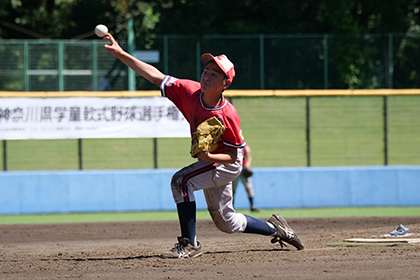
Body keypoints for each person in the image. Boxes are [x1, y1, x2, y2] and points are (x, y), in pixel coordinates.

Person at [103, 32, 304, 258]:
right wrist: (121, 54)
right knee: (227, 222)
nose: (207, 75)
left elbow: (234, 156)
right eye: (207, 70)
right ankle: (277, 229)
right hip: (210, 161)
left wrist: (208, 158)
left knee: (181, 182)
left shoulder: (228, 115)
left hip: (227, 163)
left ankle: (190, 244)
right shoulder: (188, 91)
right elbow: (155, 76)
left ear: (225, 83)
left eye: (215, 73)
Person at [232, 144, 259, 212]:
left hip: (243, 169)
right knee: (232, 189)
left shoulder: (243, 145)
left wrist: (247, 166)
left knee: (248, 187)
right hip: (235, 169)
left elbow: (249, 156)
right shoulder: (232, 144)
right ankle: (231, 207)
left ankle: (252, 206)